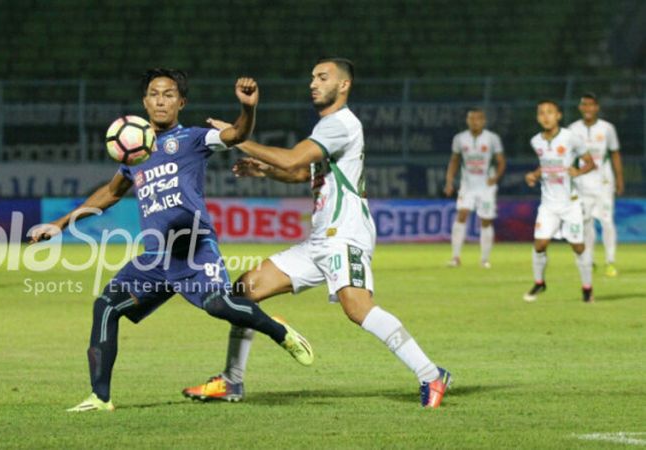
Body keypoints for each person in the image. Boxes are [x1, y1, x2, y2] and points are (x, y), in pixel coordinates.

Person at [28, 69, 314, 412]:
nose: (160, 100)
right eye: (153, 94)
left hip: (193, 247)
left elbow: (237, 134)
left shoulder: (193, 139)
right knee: (106, 306)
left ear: (181, 102)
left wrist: (248, 109)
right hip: (155, 258)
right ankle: (99, 397)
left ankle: (277, 330)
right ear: (144, 102)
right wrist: (61, 224)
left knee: (218, 305)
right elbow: (110, 193)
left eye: (168, 94)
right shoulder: (136, 150)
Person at [181, 58, 452, 408]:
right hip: (321, 240)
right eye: (312, 77)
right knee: (244, 290)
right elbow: (304, 173)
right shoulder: (327, 126)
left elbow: (294, 159)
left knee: (358, 308)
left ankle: (431, 375)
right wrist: (266, 172)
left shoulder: (340, 124)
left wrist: (237, 139)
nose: (313, 83)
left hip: (345, 234)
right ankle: (232, 381)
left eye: (322, 77)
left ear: (343, 86)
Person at [522, 100, 596, 303]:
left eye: (550, 112)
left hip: (570, 203)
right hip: (548, 204)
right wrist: (534, 175)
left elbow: (591, 162)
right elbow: (546, 165)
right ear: (538, 118)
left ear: (558, 116)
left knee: (578, 247)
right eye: (541, 113)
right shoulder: (536, 141)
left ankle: (587, 288)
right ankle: (539, 282)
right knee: (540, 244)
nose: (546, 116)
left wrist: (579, 171)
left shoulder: (571, 138)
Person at [568, 93, 624, 277]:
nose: (588, 108)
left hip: (604, 182)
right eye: (584, 105)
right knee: (585, 222)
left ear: (596, 107)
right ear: (580, 107)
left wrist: (620, 178)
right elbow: (568, 158)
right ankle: (589, 259)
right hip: (582, 184)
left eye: (591, 105)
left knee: (607, 221)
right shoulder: (573, 129)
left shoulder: (608, 128)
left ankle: (610, 261)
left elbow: (615, 154)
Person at [443, 108, 506, 268]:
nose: (474, 122)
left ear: (483, 121)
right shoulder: (460, 138)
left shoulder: (492, 138)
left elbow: (501, 161)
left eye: (477, 119)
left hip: (486, 186)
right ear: (467, 120)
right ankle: (455, 257)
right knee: (462, 214)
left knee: (485, 220)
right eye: (471, 118)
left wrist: (496, 177)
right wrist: (449, 182)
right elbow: (454, 161)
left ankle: (484, 259)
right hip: (467, 185)